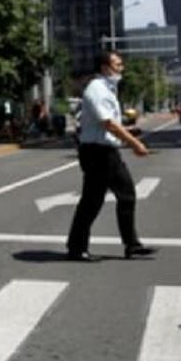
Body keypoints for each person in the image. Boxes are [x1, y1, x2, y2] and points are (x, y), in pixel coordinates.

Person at [65, 50, 156, 262]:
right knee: (105, 199)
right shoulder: (97, 89)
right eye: (117, 64)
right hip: (98, 152)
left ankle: (127, 245)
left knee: (107, 198)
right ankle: (83, 247)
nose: (121, 68)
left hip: (104, 151)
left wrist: (128, 131)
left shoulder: (107, 88)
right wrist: (135, 143)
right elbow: (108, 123)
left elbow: (109, 124)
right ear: (105, 68)